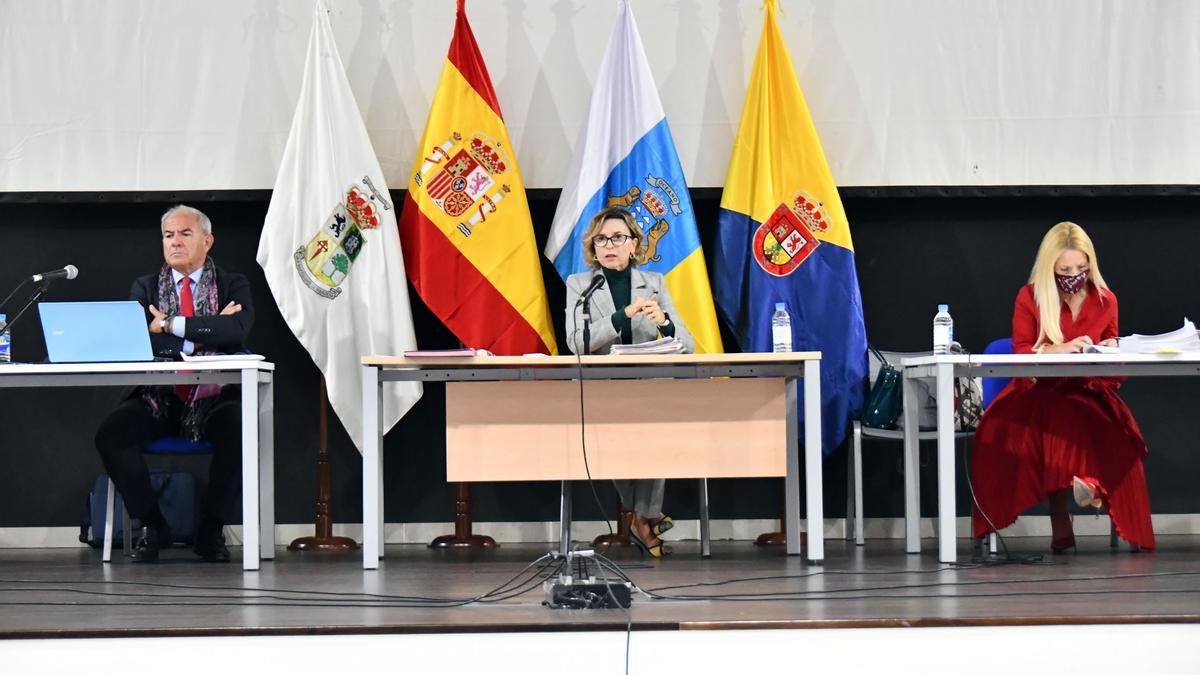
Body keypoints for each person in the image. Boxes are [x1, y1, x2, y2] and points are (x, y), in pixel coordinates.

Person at [971, 221, 1153, 552]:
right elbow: (1021, 353)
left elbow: (1116, 375)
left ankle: (1076, 501)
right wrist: (1057, 348)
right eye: (1065, 268)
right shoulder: (1030, 297)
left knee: (1099, 422)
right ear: (1049, 268)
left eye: (1082, 267)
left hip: (1088, 391)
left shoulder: (1105, 300)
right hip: (1036, 393)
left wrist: (1111, 352)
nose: (1074, 274)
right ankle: (1085, 487)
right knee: (1056, 414)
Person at [94, 205, 254, 563]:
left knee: (241, 428)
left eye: (185, 233)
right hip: (159, 398)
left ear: (207, 241)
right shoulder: (146, 286)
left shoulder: (233, 283)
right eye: (169, 235)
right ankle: (153, 525)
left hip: (214, 398)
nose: (175, 242)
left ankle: (211, 530)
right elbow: (135, 339)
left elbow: (237, 330)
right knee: (112, 435)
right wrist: (204, 330)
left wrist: (168, 326)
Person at [564, 206, 694, 559]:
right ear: (593, 245)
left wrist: (664, 323)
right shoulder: (580, 284)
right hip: (605, 386)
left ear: (635, 244)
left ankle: (643, 517)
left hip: (651, 385)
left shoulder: (655, 283)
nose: (610, 245)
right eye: (602, 238)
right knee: (617, 447)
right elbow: (576, 341)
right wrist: (623, 315)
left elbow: (688, 343)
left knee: (657, 440)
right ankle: (645, 517)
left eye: (619, 237)